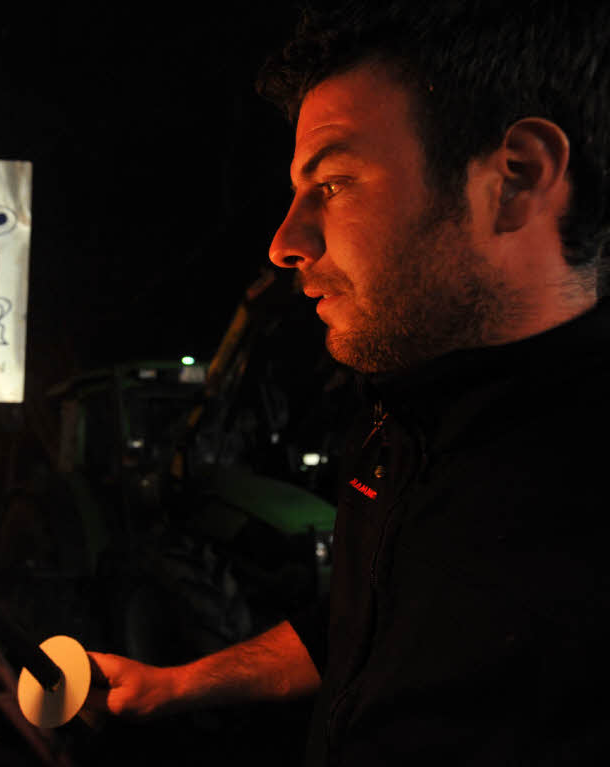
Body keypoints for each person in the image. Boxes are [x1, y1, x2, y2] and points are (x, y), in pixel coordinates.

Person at [85, 1, 610, 764]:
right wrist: (182, 683)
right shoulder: (398, 416)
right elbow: (365, 620)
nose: (283, 241)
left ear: (515, 179)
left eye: (330, 182)